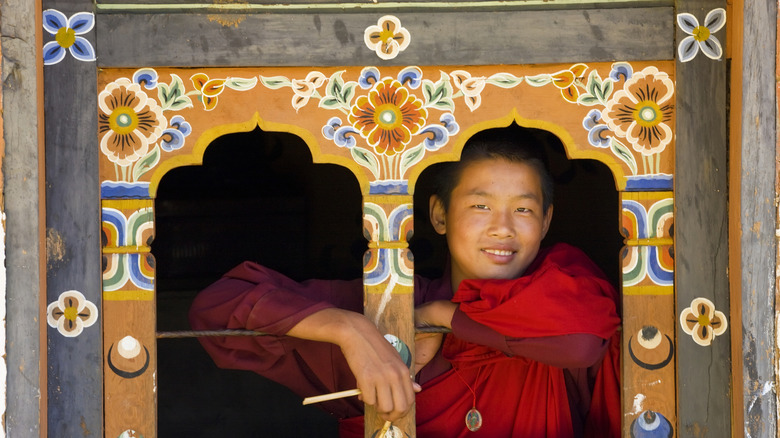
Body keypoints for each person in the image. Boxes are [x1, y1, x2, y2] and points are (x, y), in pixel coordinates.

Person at [189, 126, 621, 438]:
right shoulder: (387, 306)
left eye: (523, 210)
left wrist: (442, 317)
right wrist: (351, 331)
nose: (502, 228)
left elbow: (580, 343)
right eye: (480, 206)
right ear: (438, 215)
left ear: (546, 221)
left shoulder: (562, 284)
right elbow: (216, 308)